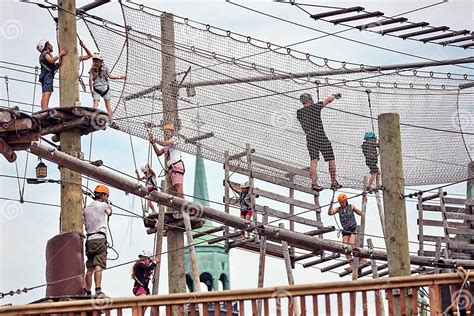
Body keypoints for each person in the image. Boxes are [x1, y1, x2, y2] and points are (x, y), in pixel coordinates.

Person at [296, 92, 342, 191]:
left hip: (309, 136)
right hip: (320, 134)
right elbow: (328, 100)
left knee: (314, 160)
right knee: (331, 159)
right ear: (310, 100)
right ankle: (334, 182)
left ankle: (314, 183)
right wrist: (335, 95)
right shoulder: (315, 107)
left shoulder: (299, 113)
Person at [83, 184, 112, 297]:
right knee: (98, 264)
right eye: (107, 196)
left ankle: (88, 292)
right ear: (103, 195)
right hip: (100, 238)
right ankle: (98, 289)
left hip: (89, 239)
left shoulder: (86, 208)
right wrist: (108, 204)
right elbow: (110, 212)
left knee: (90, 267)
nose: (107, 198)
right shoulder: (103, 205)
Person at [88, 52, 126, 127]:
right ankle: (111, 121)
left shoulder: (92, 69)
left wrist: (91, 91)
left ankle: (92, 118)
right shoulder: (105, 68)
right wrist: (121, 77)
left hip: (97, 88)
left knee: (95, 104)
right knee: (108, 106)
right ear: (101, 61)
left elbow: (90, 80)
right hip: (106, 88)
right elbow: (110, 76)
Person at [150, 124, 185, 200]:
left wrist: (155, 140)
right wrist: (153, 144)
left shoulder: (174, 139)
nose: (166, 133)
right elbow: (158, 153)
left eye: (168, 132)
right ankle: (178, 206)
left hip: (176, 166)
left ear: (172, 132)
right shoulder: (166, 147)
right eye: (165, 132)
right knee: (174, 189)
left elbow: (166, 143)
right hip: (171, 169)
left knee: (178, 186)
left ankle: (182, 206)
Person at [328, 193, 362, 264]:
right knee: (345, 249)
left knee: (351, 246)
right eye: (340, 203)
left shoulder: (351, 206)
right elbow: (330, 213)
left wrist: (364, 205)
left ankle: (360, 259)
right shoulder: (338, 209)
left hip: (353, 228)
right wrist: (331, 204)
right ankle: (352, 265)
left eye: (342, 202)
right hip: (345, 230)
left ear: (346, 201)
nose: (341, 204)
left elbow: (360, 213)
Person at [37, 39, 68, 111]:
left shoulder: (43, 55)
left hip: (44, 75)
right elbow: (51, 60)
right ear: (46, 46)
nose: (51, 45)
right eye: (49, 44)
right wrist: (61, 53)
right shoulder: (45, 53)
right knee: (48, 92)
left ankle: (43, 109)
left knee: (45, 93)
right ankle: (44, 109)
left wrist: (59, 64)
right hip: (47, 75)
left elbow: (53, 65)